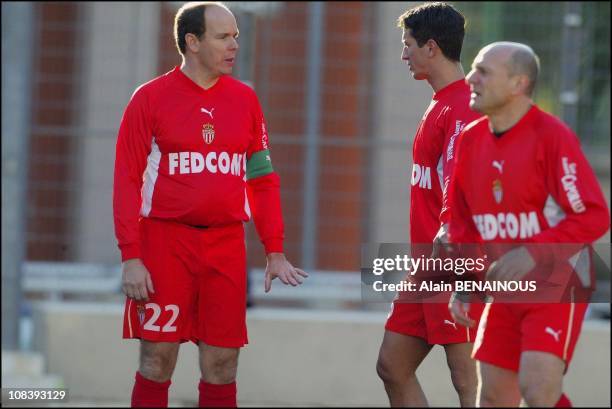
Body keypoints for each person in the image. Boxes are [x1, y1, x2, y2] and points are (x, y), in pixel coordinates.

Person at [112, 2, 308, 407]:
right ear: (192, 42)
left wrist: (275, 249)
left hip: (225, 247)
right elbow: (126, 181)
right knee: (157, 359)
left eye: (236, 35)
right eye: (224, 37)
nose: (235, 44)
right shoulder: (149, 99)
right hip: (164, 244)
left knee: (222, 364)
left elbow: (261, 178)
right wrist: (131, 255)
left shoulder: (245, 100)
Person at [447, 41, 610, 407]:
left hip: (557, 281)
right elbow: (462, 224)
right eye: (473, 69)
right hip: (505, 286)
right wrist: (465, 282)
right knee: (491, 398)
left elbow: (594, 214)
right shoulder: (470, 140)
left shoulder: (551, 136)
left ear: (518, 83)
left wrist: (533, 252)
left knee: (538, 391)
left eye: (483, 71)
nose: (471, 78)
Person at [375, 3, 483, 407]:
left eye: (408, 45)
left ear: (431, 47)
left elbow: (460, 188)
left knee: (466, 379)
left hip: (453, 261)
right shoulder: (440, 102)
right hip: (427, 265)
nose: (404, 55)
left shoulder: (461, 107)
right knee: (392, 365)